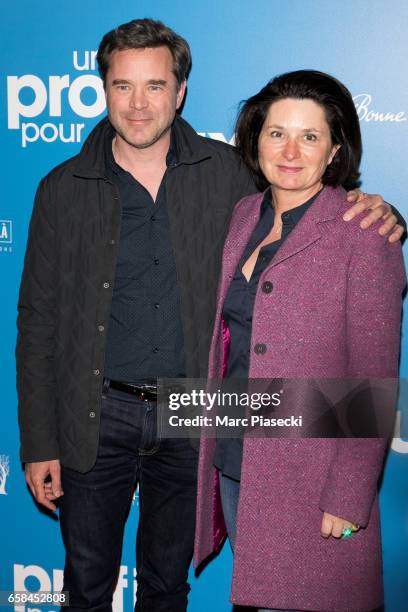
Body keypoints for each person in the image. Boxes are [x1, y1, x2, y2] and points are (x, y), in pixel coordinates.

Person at [16, 16, 402, 612]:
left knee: (169, 586)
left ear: (181, 91)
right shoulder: (61, 188)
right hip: (97, 413)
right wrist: (39, 439)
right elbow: (37, 323)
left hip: (197, 413)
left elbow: (309, 189)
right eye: (123, 86)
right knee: (86, 585)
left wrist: (383, 211)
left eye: (155, 86)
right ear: (103, 89)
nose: (139, 104)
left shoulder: (231, 177)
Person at [194, 70, 406, 612]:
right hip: (238, 464)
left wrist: (349, 496)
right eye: (276, 133)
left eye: (310, 136)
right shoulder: (243, 215)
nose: (290, 150)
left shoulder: (365, 235)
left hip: (313, 481)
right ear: (255, 139)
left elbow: (373, 378)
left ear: (335, 149)